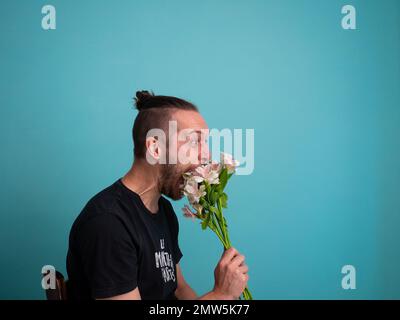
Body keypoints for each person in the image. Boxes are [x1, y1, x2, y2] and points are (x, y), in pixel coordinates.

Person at [66, 90, 249, 300]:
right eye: (194, 142)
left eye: (205, 143)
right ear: (155, 147)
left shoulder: (163, 210)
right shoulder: (108, 224)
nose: (206, 155)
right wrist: (220, 296)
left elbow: (179, 289)